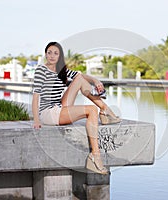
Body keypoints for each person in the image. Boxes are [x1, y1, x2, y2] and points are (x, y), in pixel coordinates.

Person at [32, 41, 121, 175]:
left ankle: (106, 111)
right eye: (49, 52)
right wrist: (36, 120)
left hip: (59, 106)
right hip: (49, 113)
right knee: (91, 110)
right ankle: (95, 157)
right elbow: (36, 97)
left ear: (60, 56)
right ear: (45, 54)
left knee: (79, 78)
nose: (51, 56)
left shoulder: (61, 70)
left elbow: (80, 76)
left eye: (55, 53)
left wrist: (96, 81)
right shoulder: (41, 70)